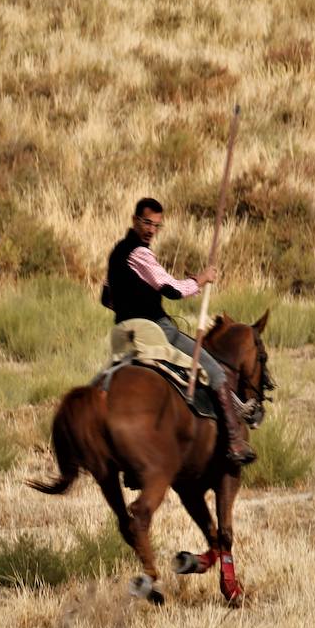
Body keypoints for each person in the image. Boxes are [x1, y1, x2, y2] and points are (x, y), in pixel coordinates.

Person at [100, 197, 253, 465]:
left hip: (121, 334)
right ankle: (235, 442)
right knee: (214, 369)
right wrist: (201, 280)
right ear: (135, 220)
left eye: (157, 225)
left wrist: (129, 304)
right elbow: (171, 289)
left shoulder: (116, 253)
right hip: (153, 329)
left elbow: (106, 297)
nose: (151, 230)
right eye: (147, 223)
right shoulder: (140, 253)